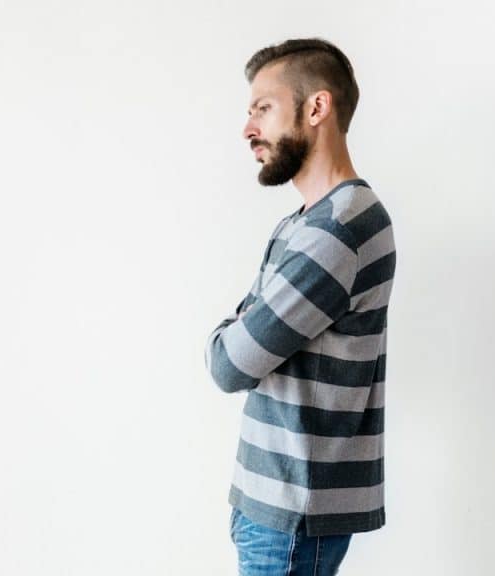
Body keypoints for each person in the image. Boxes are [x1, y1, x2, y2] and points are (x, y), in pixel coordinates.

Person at [205, 38, 395, 576]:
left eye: (262, 109)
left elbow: (229, 363)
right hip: (273, 504)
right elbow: (244, 341)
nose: (248, 129)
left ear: (317, 108)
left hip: (293, 511)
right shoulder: (302, 223)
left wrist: (233, 330)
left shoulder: (340, 227)